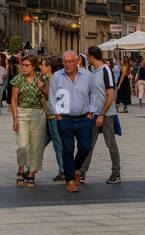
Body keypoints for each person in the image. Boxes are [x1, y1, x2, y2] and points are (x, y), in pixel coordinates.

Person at [49, 50, 102, 193]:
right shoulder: (57, 76)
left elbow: (93, 94)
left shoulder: (87, 76)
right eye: (65, 62)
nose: (67, 64)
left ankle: (74, 168)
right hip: (65, 119)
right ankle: (70, 180)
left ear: (77, 61)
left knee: (85, 147)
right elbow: (52, 97)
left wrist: (91, 112)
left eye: (70, 61)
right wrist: (57, 115)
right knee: (67, 149)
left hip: (84, 118)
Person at [79, 46, 121, 186]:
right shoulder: (93, 72)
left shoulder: (105, 70)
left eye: (87, 56)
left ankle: (116, 173)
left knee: (111, 144)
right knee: (88, 144)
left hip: (106, 114)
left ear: (91, 57)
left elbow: (110, 94)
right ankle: (82, 173)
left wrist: (102, 114)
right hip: (94, 114)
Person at [9, 55, 48, 188]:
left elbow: (49, 96)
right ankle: (21, 170)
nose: (23, 67)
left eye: (26, 65)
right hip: (22, 112)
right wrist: (15, 119)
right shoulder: (18, 79)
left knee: (36, 146)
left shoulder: (41, 77)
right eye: (22, 65)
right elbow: (13, 100)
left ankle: (31, 173)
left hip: (38, 113)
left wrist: (43, 88)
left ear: (34, 66)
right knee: (23, 145)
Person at [40, 57, 65, 180]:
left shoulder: (55, 80)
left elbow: (51, 97)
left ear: (49, 67)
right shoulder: (47, 79)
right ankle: (31, 168)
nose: (41, 67)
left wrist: (41, 88)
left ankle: (63, 170)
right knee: (39, 143)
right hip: (48, 116)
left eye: (43, 65)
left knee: (58, 144)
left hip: (54, 117)